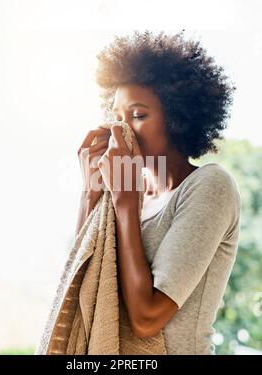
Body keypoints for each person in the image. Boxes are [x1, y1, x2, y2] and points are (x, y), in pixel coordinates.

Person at [76, 30, 241, 355]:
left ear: (179, 118)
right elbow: (82, 284)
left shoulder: (209, 186)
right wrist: (89, 192)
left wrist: (126, 201)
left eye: (138, 116)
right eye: (117, 117)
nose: (121, 130)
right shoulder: (129, 195)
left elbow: (147, 319)